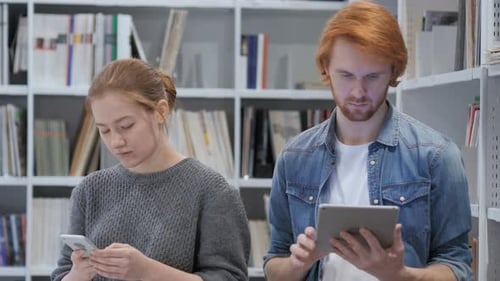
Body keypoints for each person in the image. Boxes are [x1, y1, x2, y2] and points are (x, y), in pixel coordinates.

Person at [263, 1, 472, 281]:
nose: (358, 91)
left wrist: (399, 275)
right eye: (346, 75)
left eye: (373, 76)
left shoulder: (437, 155)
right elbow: (274, 263)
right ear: (326, 68)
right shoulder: (295, 156)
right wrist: (297, 264)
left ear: (394, 71)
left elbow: (457, 266)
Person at [51, 58, 250, 281]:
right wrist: (78, 274)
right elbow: (62, 274)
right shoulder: (89, 190)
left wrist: (146, 272)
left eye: (126, 126)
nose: (116, 141)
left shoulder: (212, 192)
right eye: (104, 131)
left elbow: (229, 277)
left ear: (160, 112)